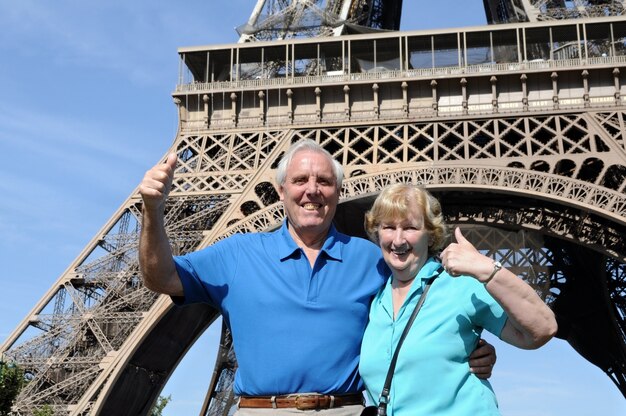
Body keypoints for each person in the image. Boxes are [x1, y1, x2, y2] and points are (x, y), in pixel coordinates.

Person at [138, 139, 497, 415]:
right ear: (280, 191)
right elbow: (162, 277)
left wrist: (465, 346)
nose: (312, 190)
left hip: (345, 409)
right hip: (262, 410)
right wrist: (153, 211)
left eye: (324, 181)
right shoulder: (237, 253)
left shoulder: (373, 258)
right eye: (300, 180)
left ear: (338, 192)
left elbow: (424, 303)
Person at [359, 184, 558, 415]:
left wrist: (487, 269)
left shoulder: (459, 283)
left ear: (430, 234)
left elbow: (542, 329)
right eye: (389, 227)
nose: (398, 239)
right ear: (377, 232)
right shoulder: (374, 299)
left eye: (411, 227)